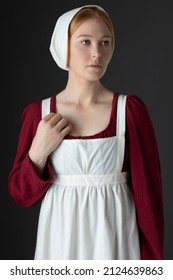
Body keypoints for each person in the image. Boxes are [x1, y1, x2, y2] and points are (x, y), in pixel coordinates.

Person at [8, 5, 164, 260]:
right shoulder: (39, 113)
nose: (96, 53)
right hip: (58, 245)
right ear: (63, 46)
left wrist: (154, 269)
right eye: (85, 42)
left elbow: (150, 202)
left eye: (105, 42)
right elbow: (20, 194)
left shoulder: (130, 112)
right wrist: (37, 153)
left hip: (116, 245)